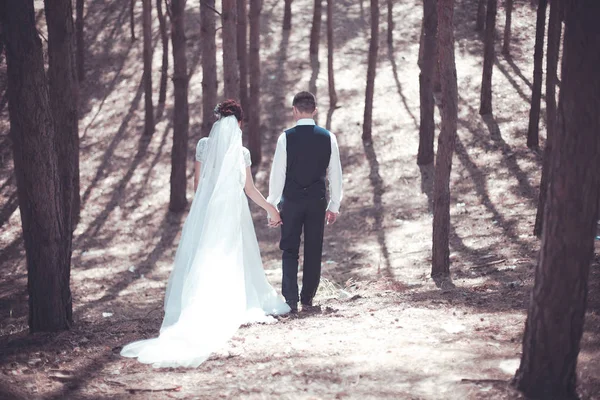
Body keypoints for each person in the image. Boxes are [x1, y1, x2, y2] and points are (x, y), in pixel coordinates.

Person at [121, 100, 291, 368]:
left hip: (207, 209)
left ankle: (200, 301)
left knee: (204, 254)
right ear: (238, 123)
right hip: (233, 211)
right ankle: (232, 300)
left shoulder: (203, 146)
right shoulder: (241, 152)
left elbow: (199, 184)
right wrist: (271, 210)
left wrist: (205, 207)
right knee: (232, 255)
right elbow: (249, 190)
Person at [267, 91, 343, 313]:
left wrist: (271, 207)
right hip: (317, 201)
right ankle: (307, 299)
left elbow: (277, 175)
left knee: (289, 249)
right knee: (313, 248)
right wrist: (334, 205)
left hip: (291, 201)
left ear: (294, 111)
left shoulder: (285, 138)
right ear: (315, 111)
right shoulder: (328, 137)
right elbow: (335, 175)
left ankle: (291, 300)